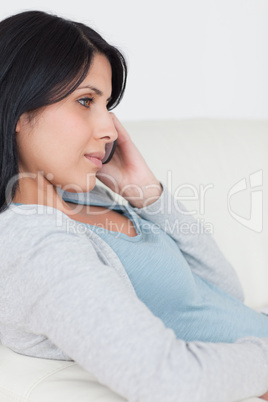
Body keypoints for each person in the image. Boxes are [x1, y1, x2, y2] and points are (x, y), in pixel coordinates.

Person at [0, 10, 267, 402]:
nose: (109, 128)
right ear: (19, 110)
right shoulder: (32, 245)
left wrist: (147, 193)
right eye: (85, 101)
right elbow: (165, 379)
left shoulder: (81, 195)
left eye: (106, 104)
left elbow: (222, 292)